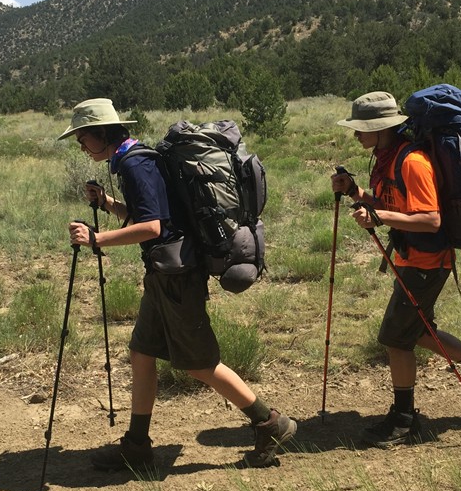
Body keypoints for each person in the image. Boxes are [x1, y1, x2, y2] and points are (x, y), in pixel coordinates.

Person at [58, 98, 297, 471]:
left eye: (83, 138)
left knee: (200, 364)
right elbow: (153, 216)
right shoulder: (135, 157)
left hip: (177, 278)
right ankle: (137, 445)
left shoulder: (135, 164)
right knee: (141, 353)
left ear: (102, 134)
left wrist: (97, 239)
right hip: (164, 275)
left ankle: (270, 423)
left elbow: (152, 227)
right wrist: (107, 203)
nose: (81, 146)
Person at [330, 91, 461, 448]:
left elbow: (431, 220)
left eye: (362, 128)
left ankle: (403, 419)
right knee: (418, 332)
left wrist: (379, 217)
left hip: (427, 262)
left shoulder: (412, 161)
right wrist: (356, 192)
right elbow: (393, 204)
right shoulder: (388, 158)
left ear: (382, 128)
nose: (356, 135)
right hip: (412, 259)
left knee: (395, 338)